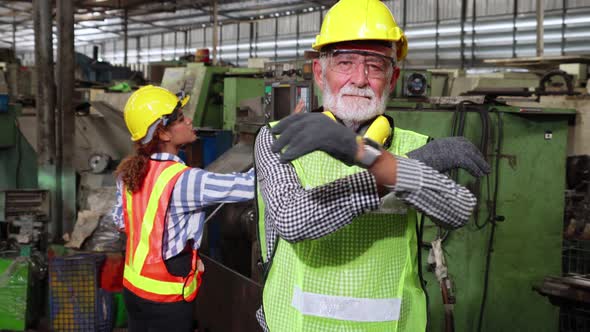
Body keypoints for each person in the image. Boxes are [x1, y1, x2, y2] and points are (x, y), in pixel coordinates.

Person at [254, 0, 491, 331]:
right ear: (320, 73)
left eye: (375, 66)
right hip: (296, 323)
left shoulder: (413, 146)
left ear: (392, 78)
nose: (360, 79)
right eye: (345, 63)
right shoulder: (278, 138)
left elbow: (458, 209)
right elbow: (294, 221)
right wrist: (393, 168)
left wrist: (376, 160)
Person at [111, 85, 255, 332]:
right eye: (179, 118)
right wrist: (281, 143)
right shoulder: (184, 180)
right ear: (164, 134)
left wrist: (168, 235)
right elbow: (250, 186)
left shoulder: (128, 173)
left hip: (135, 290)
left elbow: (122, 221)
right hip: (167, 298)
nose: (189, 120)